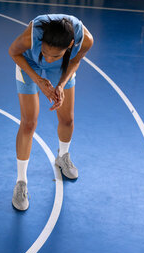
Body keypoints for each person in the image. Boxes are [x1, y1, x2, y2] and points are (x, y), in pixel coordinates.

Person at [8, 14, 94, 211]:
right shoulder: (31, 36)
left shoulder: (85, 40)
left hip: (62, 68)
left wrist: (61, 85)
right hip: (29, 62)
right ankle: (21, 181)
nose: (48, 58)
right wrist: (39, 80)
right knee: (29, 123)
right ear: (41, 41)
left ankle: (62, 156)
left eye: (54, 55)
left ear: (71, 44)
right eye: (45, 52)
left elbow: (76, 60)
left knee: (67, 118)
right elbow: (13, 52)